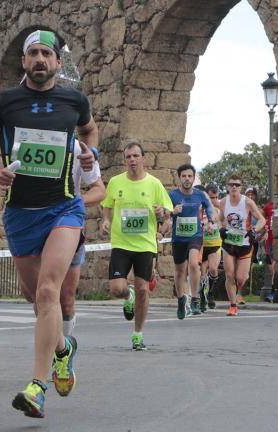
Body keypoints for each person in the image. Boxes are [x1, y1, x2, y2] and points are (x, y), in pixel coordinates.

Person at [0, 29, 99, 419]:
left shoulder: (74, 100)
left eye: (47, 53)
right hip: (20, 213)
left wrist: (91, 153)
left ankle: (37, 388)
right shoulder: (3, 102)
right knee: (34, 297)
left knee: (47, 291)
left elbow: (90, 130)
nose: (40, 59)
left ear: (58, 61)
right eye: (33, 53)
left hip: (64, 209)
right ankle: (63, 349)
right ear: (23, 61)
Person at [101, 142, 172, 350]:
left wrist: (161, 213)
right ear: (125, 160)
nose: (132, 160)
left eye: (135, 156)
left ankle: (138, 334)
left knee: (143, 289)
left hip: (145, 245)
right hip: (121, 243)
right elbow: (107, 206)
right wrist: (106, 220)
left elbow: (167, 213)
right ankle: (127, 295)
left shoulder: (154, 184)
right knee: (116, 289)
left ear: (143, 158)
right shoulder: (115, 182)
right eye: (128, 156)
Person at [60, 140, 105, 336]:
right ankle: (58, 345)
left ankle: (64, 347)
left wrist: (77, 201)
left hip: (70, 226)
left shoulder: (78, 147)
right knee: (38, 295)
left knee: (66, 300)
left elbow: (100, 190)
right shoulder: (26, 138)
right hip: (35, 225)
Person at [169, 164, 214, 318]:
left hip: (195, 235)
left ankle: (195, 299)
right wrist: (172, 212)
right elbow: (164, 213)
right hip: (178, 238)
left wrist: (210, 221)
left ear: (194, 178)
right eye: (184, 176)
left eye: (190, 176)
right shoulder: (172, 195)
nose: (187, 179)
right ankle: (181, 299)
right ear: (179, 178)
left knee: (194, 264)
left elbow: (209, 207)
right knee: (179, 271)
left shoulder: (199, 195)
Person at [218, 175, 264, 316]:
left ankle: (239, 287)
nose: (234, 187)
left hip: (244, 243)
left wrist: (254, 231)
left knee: (241, 278)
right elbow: (219, 219)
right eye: (231, 184)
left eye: (237, 185)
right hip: (229, 243)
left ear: (240, 187)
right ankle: (233, 305)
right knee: (229, 274)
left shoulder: (248, 202)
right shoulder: (223, 202)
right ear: (227, 187)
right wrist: (221, 228)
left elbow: (261, 220)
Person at [201, 184, 222, 310]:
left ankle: (210, 293)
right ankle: (202, 297)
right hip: (202, 244)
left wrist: (215, 224)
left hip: (215, 243)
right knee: (202, 272)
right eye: (211, 198)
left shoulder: (219, 208)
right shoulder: (200, 207)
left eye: (216, 197)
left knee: (213, 269)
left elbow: (221, 222)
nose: (214, 200)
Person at [262, 195, 276, 303]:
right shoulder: (268, 207)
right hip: (268, 241)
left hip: (277, 241)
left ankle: (272, 293)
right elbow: (262, 219)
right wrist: (264, 232)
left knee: (275, 268)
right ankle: (273, 290)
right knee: (271, 268)